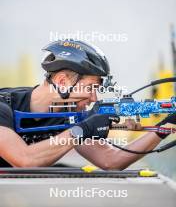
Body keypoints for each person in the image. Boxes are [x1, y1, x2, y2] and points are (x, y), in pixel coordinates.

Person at [0, 39, 174, 168]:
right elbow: (24, 159)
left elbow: (111, 160)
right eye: (91, 88)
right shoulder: (3, 105)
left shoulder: (69, 114)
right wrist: (82, 130)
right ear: (62, 82)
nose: (94, 99)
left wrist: (165, 128)